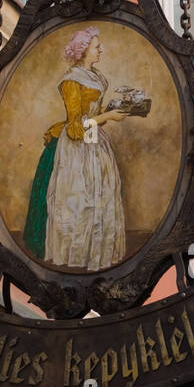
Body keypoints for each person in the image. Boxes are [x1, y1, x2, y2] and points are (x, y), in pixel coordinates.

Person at [23, 27, 133, 270]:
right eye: (96, 46)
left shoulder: (98, 77)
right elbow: (75, 128)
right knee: (77, 201)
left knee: (99, 196)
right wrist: (109, 117)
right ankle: (75, 258)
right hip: (75, 149)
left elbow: (93, 116)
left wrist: (114, 112)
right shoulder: (71, 81)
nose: (100, 50)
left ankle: (95, 255)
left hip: (95, 141)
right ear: (83, 51)